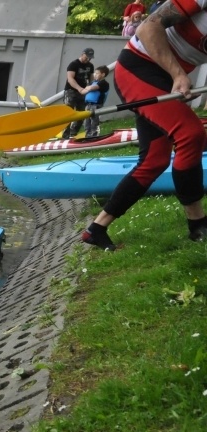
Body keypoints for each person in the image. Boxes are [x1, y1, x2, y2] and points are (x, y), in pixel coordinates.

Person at [82, 0, 207, 251]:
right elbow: (148, 29)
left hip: (166, 75)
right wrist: (178, 75)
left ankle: (96, 229)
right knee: (190, 134)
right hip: (139, 68)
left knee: (154, 160)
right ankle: (198, 225)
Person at [61, 49, 96, 139]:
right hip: (71, 91)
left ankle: (73, 133)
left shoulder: (90, 66)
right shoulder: (74, 64)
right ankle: (65, 135)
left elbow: (91, 79)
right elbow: (70, 79)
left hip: (83, 91)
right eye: (86, 57)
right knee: (68, 113)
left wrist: (91, 88)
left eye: (90, 58)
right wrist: (79, 88)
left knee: (81, 114)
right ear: (82, 54)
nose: (88, 59)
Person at [81, 65, 110, 138]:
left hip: (96, 105)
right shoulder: (93, 82)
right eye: (95, 73)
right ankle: (88, 136)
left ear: (103, 74)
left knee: (94, 122)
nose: (95, 74)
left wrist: (88, 88)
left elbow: (93, 88)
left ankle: (95, 135)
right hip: (88, 105)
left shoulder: (103, 83)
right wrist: (87, 88)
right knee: (86, 122)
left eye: (97, 73)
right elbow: (84, 90)